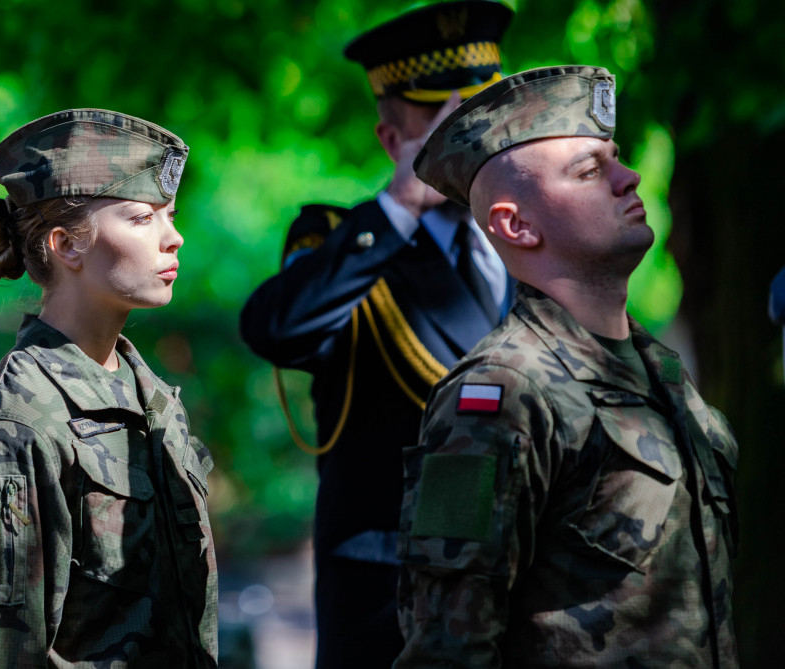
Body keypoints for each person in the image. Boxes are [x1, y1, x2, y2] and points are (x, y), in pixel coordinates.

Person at [394, 65, 739, 667]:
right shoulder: (500, 390)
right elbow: (446, 647)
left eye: (616, 159)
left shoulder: (659, 368)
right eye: (588, 170)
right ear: (515, 225)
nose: (628, 178)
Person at [240, 2, 515, 665]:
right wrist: (398, 208)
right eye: (438, 119)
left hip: (515, 593)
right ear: (394, 141)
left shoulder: (530, 244)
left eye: (480, 113)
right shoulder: (345, 244)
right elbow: (277, 328)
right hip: (390, 607)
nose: (466, 134)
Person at [0, 109, 217, 668]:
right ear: (67, 245)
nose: (173, 237)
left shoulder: (152, 400)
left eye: (171, 215)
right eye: (141, 219)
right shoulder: (13, 423)